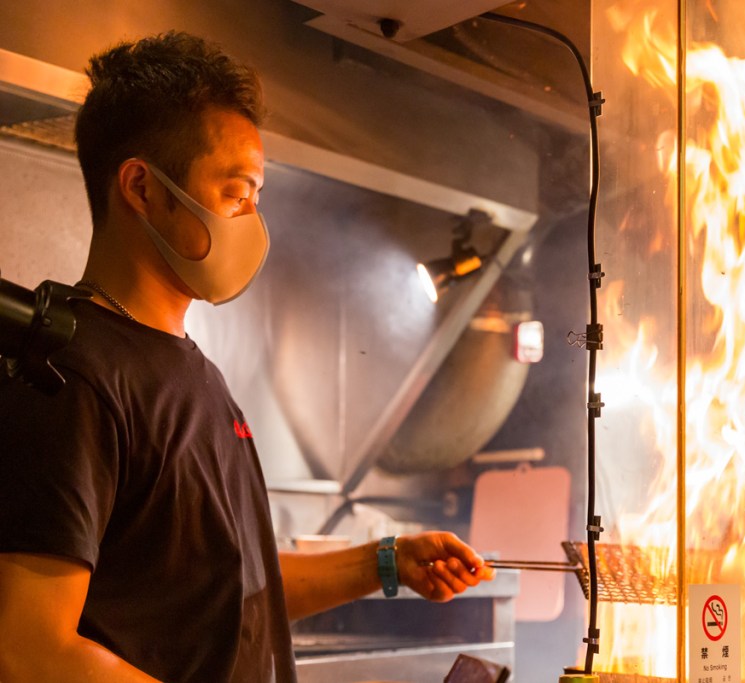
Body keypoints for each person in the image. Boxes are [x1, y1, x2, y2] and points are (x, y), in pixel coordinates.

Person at [0, 31, 494, 683]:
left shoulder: (197, 375)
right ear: (142, 187)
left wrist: (386, 561)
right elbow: (30, 647)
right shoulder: (71, 374)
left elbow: (233, 590)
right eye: (236, 193)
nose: (252, 220)